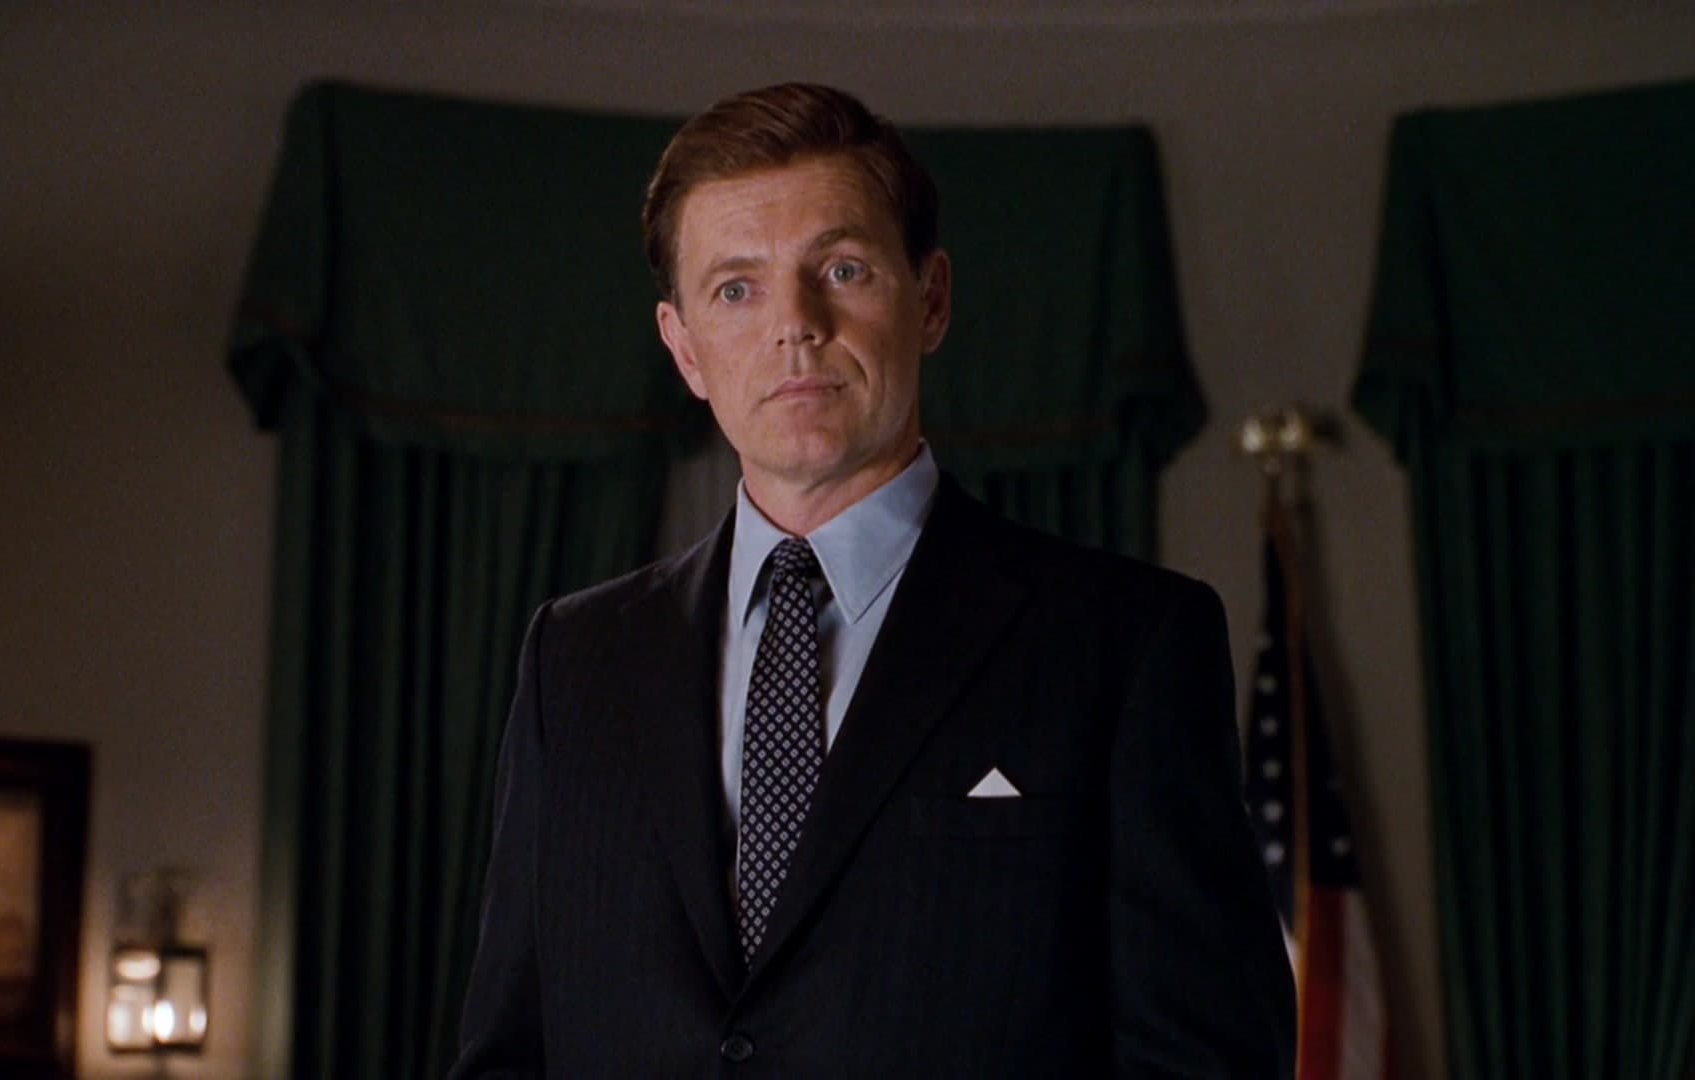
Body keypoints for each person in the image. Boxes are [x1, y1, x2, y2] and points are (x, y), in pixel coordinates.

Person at [453, 82, 1294, 1077]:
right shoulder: (574, 662)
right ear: (683, 348)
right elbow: (511, 1053)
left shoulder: (1127, 645)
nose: (795, 324)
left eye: (841, 269)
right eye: (737, 289)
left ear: (930, 298)